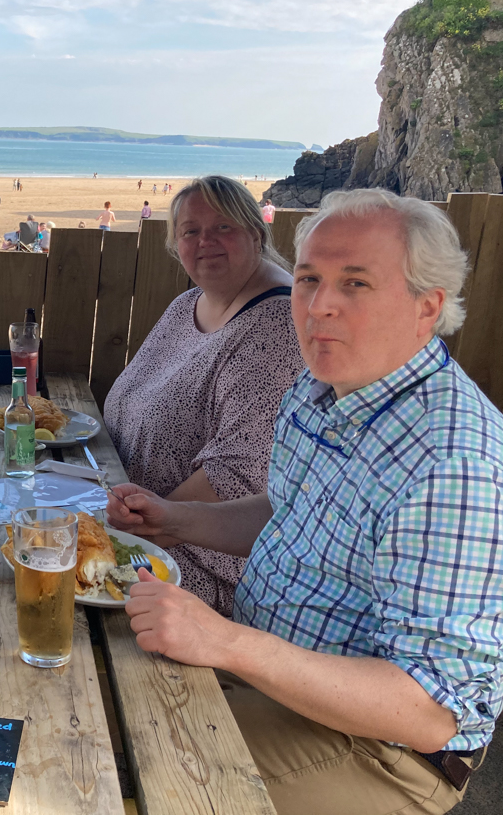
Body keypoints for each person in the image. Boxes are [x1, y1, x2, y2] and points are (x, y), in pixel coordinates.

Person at [107, 189, 501, 815]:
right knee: (96, 711)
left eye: (356, 283)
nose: (319, 306)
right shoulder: (321, 390)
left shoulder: (450, 463)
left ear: (426, 308)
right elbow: (287, 515)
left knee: (116, 783)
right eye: (310, 278)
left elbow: (430, 711)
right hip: (272, 674)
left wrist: (228, 644)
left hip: (383, 752)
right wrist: (174, 520)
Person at [103, 175, 304, 614]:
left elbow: (234, 474)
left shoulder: (278, 325)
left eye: (223, 227)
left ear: (256, 233)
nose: (205, 241)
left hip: (195, 562)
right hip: (133, 526)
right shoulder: (189, 303)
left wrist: (120, 534)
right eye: (190, 231)